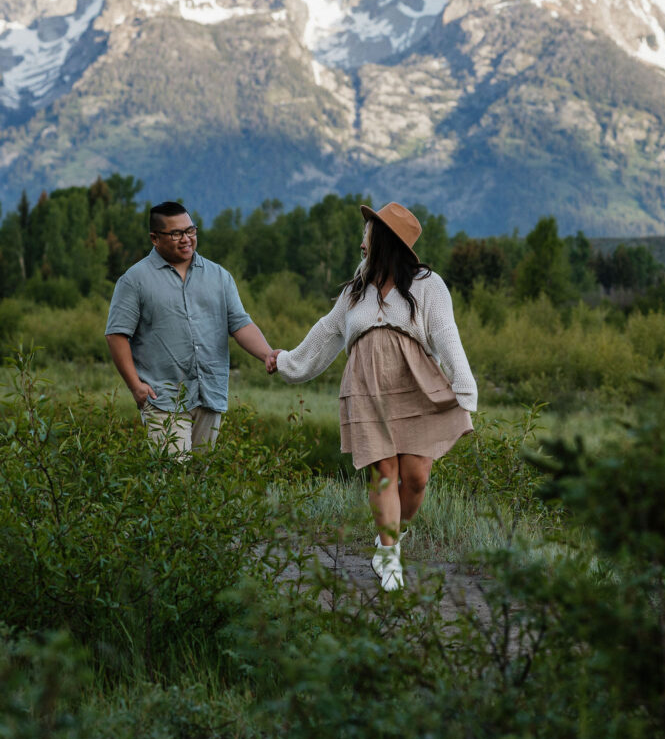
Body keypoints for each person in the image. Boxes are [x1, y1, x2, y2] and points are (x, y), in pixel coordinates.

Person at [265, 202, 476, 592]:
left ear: (383, 239)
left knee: (416, 478)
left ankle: (388, 538)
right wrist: (288, 362)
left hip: (415, 386)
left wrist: (464, 385)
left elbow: (448, 338)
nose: (362, 238)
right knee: (384, 474)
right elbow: (326, 334)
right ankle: (390, 557)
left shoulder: (429, 285)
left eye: (369, 230)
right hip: (366, 387)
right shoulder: (355, 290)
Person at [105, 201, 273, 455]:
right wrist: (134, 386)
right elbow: (117, 334)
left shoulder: (219, 276)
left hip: (210, 394)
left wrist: (268, 354)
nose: (186, 239)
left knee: (199, 483)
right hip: (162, 397)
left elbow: (240, 324)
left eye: (190, 231)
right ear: (154, 238)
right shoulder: (134, 280)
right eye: (176, 233)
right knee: (171, 481)